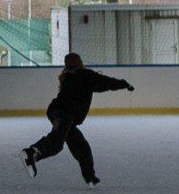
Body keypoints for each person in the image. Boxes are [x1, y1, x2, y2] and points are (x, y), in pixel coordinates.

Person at [21, 53, 134, 186]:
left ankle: (90, 177)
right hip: (63, 114)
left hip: (58, 112)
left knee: (81, 146)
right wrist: (124, 84)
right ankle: (31, 153)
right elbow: (106, 82)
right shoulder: (85, 75)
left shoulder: (68, 77)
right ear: (79, 62)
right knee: (56, 143)